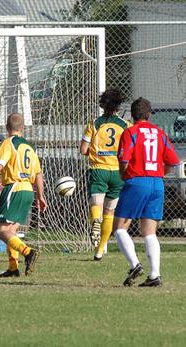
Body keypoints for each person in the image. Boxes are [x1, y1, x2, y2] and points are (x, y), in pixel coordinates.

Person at [113, 97, 179, 287]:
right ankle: (155, 275)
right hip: (157, 183)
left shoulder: (130, 132)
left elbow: (124, 160)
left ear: (132, 115)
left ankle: (135, 265)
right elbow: (173, 162)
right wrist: (158, 173)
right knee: (149, 232)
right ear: (149, 114)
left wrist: (124, 175)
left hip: (137, 181)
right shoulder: (159, 133)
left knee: (119, 228)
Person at [0, 113, 45, 277]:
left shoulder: (8, 143)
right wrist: (40, 196)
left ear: (6, 127)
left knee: (1, 230)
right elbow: (38, 174)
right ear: (23, 128)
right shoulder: (30, 147)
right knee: (11, 230)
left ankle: (28, 252)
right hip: (28, 190)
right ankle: (13, 269)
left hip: (14, 188)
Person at [80, 89, 130, 260]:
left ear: (102, 105)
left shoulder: (94, 124)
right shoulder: (126, 125)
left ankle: (95, 221)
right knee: (109, 211)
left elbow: (83, 149)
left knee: (96, 206)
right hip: (117, 172)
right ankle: (100, 250)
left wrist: (96, 153)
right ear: (118, 106)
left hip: (98, 170)